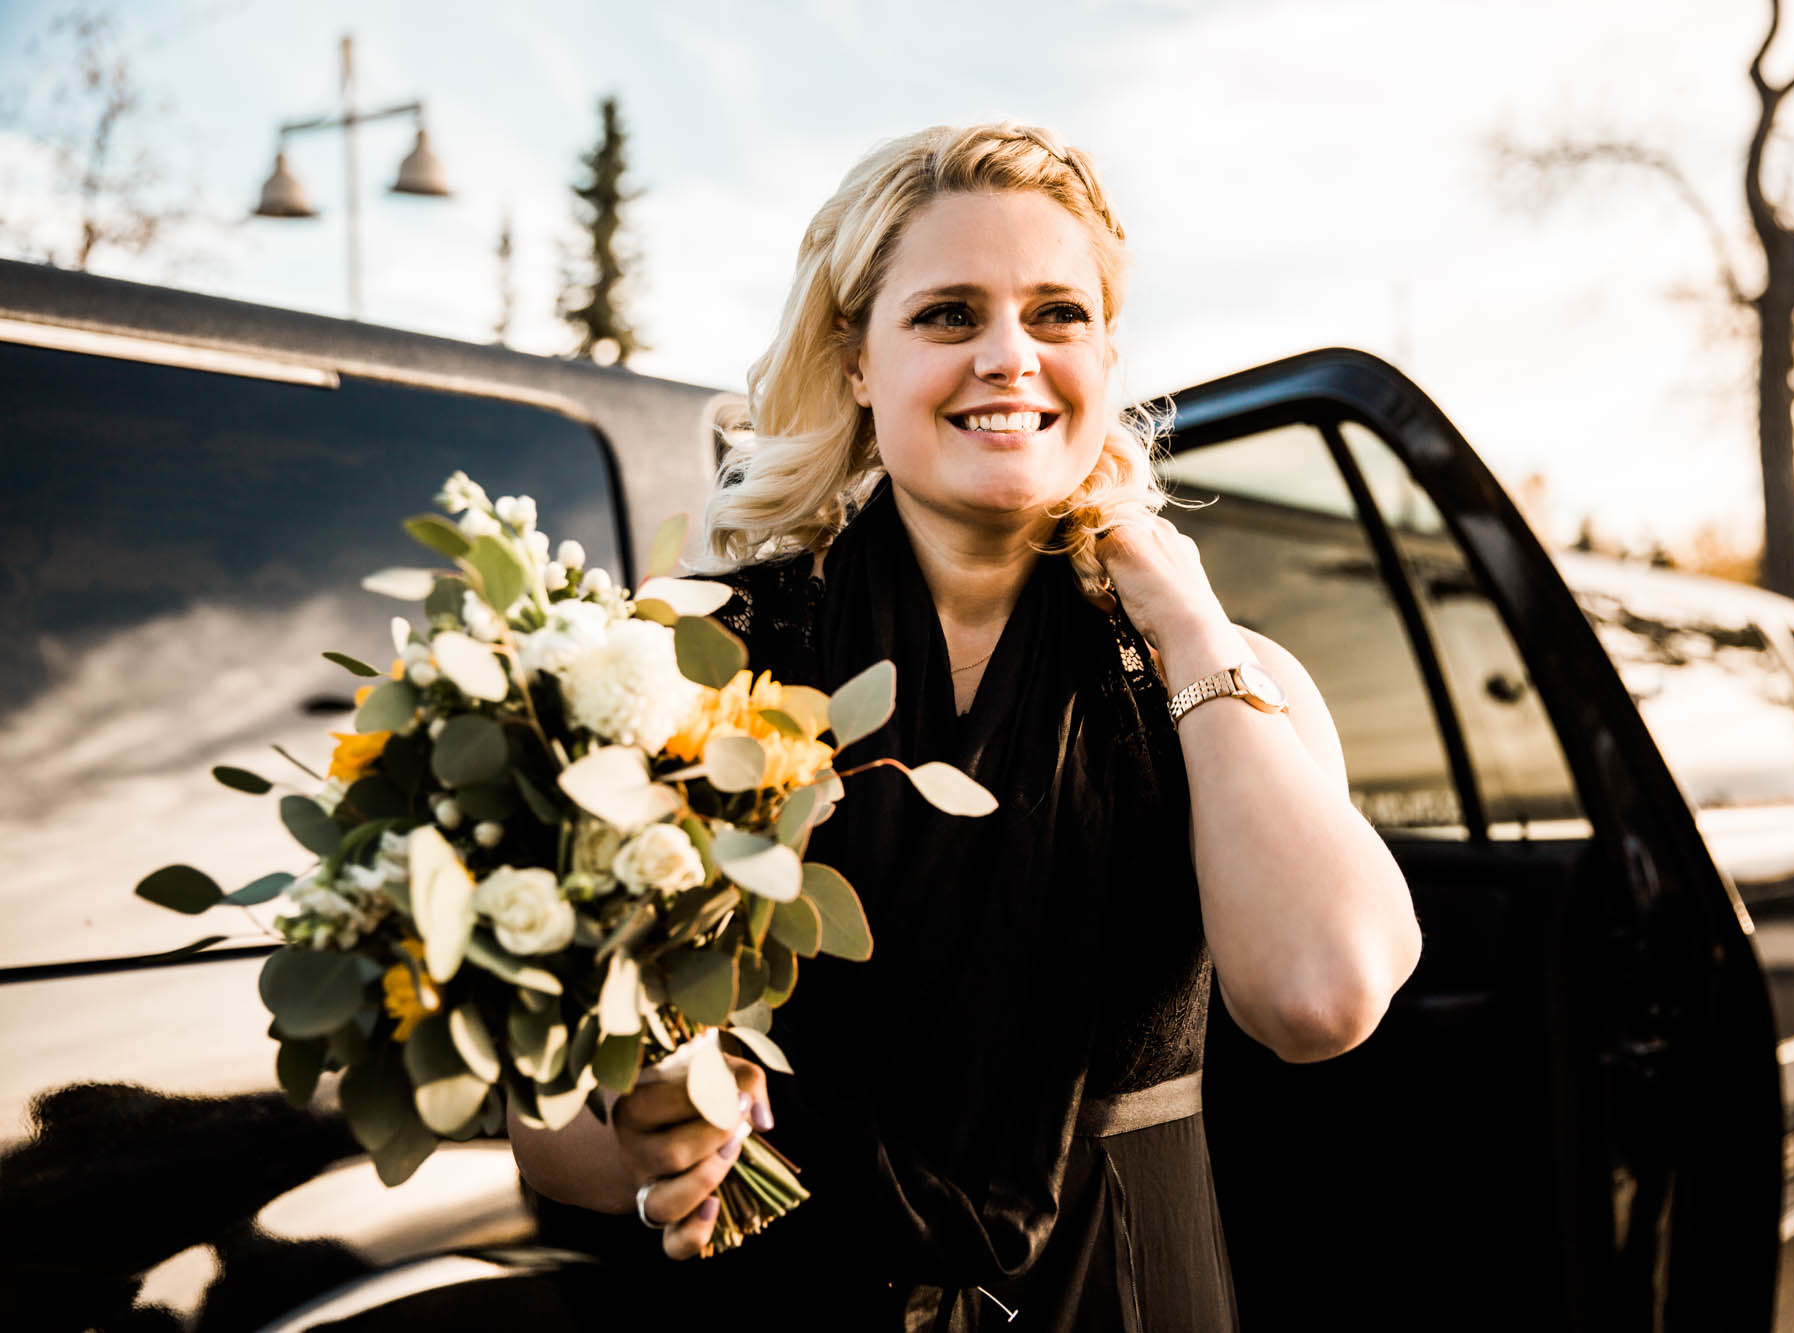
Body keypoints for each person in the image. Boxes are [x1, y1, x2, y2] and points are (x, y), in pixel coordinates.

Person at [507, 119, 1422, 1330]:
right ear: (854, 361)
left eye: (1056, 314)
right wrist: (655, 1130)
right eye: (948, 314)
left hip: (1126, 1297)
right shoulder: (690, 658)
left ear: (1105, 352)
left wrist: (1190, 630)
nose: (1008, 356)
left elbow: (1320, 998)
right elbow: (543, 1129)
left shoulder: (1224, 674)